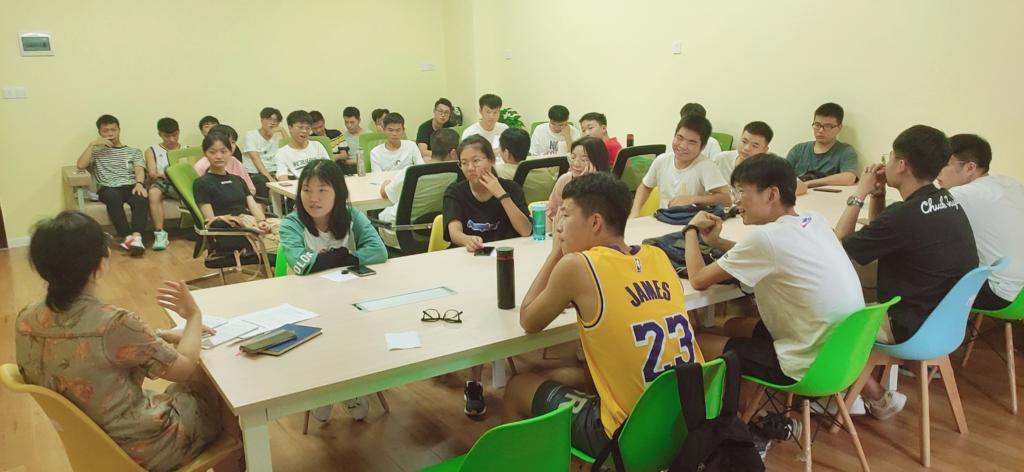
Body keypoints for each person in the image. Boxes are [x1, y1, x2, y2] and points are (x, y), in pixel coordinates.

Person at [16, 210, 242, 472]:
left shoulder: (27, 318)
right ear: (100, 265)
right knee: (218, 385)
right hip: (141, 449)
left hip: (91, 446)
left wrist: (160, 336)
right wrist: (193, 317)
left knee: (181, 392)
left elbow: (82, 347)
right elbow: (183, 369)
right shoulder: (114, 323)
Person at [502, 172, 703, 457]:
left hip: (631, 440)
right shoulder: (657, 256)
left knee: (518, 386)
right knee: (582, 367)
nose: (558, 225)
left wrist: (555, 254)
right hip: (688, 422)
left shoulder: (577, 266)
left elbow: (529, 320)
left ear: (595, 222)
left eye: (565, 215)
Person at [683, 155, 864, 429]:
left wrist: (690, 230)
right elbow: (765, 254)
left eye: (741, 192)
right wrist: (717, 242)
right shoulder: (813, 221)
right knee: (732, 324)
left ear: (771, 194)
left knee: (696, 341)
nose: (736, 201)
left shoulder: (765, 238)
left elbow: (698, 279)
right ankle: (752, 414)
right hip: (842, 357)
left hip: (804, 365)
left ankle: (751, 425)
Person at [835, 125, 977, 420]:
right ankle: (857, 389)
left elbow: (838, 248)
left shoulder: (904, 216)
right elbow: (884, 234)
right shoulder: (948, 200)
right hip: (946, 323)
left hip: (911, 326)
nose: (885, 163)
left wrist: (860, 193)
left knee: (823, 316)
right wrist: (878, 196)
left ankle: (868, 394)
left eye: (889, 157)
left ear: (902, 165)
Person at [443, 134, 531, 416]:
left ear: (491, 161)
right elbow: (453, 230)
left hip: (506, 262)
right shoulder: (456, 191)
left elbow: (525, 230)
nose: (470, 168)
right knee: (478, 315)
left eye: (477, 160)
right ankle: (475, 381)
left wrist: (500, 194)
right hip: (469, 264)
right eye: (464, 163)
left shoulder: (511, 188)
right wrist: (466, 239)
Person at [937, 134, 1024, 309]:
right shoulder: (1010, 184)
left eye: (944, 165)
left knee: (926, 274)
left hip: (1001, 294)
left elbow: (914, 220)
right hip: (1020, 295)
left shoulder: (961, 195)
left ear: (970, 167)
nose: (937, 173)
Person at [194, 131, 280, 254]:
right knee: (283, 245)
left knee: (288, 228)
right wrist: (241, 224)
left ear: (230, 152)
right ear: (205, 154)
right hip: (232, 229)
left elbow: (252, 205)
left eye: (223, 151)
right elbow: (210, 220)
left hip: (249, 221)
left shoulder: (237, 179)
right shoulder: (202, 183)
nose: (218, 156)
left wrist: (262, 221)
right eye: (212, 152)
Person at [629, 115, 731, 217]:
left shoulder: (706, 166)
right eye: (679, 138)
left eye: (692, 142)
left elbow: (726, 199)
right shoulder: (662, 161)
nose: (682, 146)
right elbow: (645, 186)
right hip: (663, 219)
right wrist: (635, 211)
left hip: (692, 222)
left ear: (702, 147)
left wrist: (693, 199)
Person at [76, 114, 148, 256]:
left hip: (130, 185)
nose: (110, 134)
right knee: (113, 197)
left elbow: (139, 169)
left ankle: (137, 237)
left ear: (119, 130)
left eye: (113, 130)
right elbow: (80, 165)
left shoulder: (133, 151)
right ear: (100, 133)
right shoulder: (96, 152)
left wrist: (139, 183)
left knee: (141, 197)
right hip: (108, 187)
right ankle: (126, 236)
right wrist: (92, 144)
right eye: (106, 131)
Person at [377, 128, 460, 247]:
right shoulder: (457, 172)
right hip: (439, 232)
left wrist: (386, 184)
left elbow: (386, 194)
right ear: (453, 153)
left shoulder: (413, 172)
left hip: (399, 231)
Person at [712, 122, 809, 196]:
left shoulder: (772, 164)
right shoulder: (722, 159)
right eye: (744, 141)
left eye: (755, 145)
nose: (746, 148)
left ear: (765, 150)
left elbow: (801, 186)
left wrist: (764, 197)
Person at [785, 103, 858, 188]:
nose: (820, 130)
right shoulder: (799, 150)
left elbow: (849, 177)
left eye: (828, 126)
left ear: (839, 128)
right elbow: (781, 175)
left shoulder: (845, 151)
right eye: (817, 125)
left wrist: (807, 184)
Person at [546, 137, 610, 225]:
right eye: (573, 157)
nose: (576, 164)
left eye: (584, 160)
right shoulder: (564, 180)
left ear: (598, 162)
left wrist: (587, 184)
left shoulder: (607, 186)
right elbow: (552, 213)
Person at [144, 117, 183, 251]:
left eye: (175, 135)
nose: (172, 139)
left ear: (179, 132)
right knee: (153, 193)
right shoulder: (152, 150)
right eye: (167, 136)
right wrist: (168, 174)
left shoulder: (186, 149)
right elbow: (152, 173)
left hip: (181, 183)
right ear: (160, 134)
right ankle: (160, 234)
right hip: (162, 182)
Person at [194, 124, 257, 195]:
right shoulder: (201, 166)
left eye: (233, 142)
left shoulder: (235, 161)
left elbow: (251, 189)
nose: (231, 146)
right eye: (227, 142)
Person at [242, 107, 287, 199]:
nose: (273, 123)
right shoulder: (251, 135)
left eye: (276, 121)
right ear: (262, 120)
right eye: (270, 119)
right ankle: (264, 207)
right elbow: (255, 158)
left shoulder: (277, 136)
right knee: (262, 181)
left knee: (292, 178)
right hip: (256, 172)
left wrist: (282, 130)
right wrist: (269, 178)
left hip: (275, 170)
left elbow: (290, 150)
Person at [275, 110, 330, 180]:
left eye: (308, 128)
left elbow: (330, 169)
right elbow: (282, 178)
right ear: (290, 128)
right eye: (301, 127)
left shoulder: (317, 146)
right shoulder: (282, 153)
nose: (305, 131)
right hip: (297, 185)